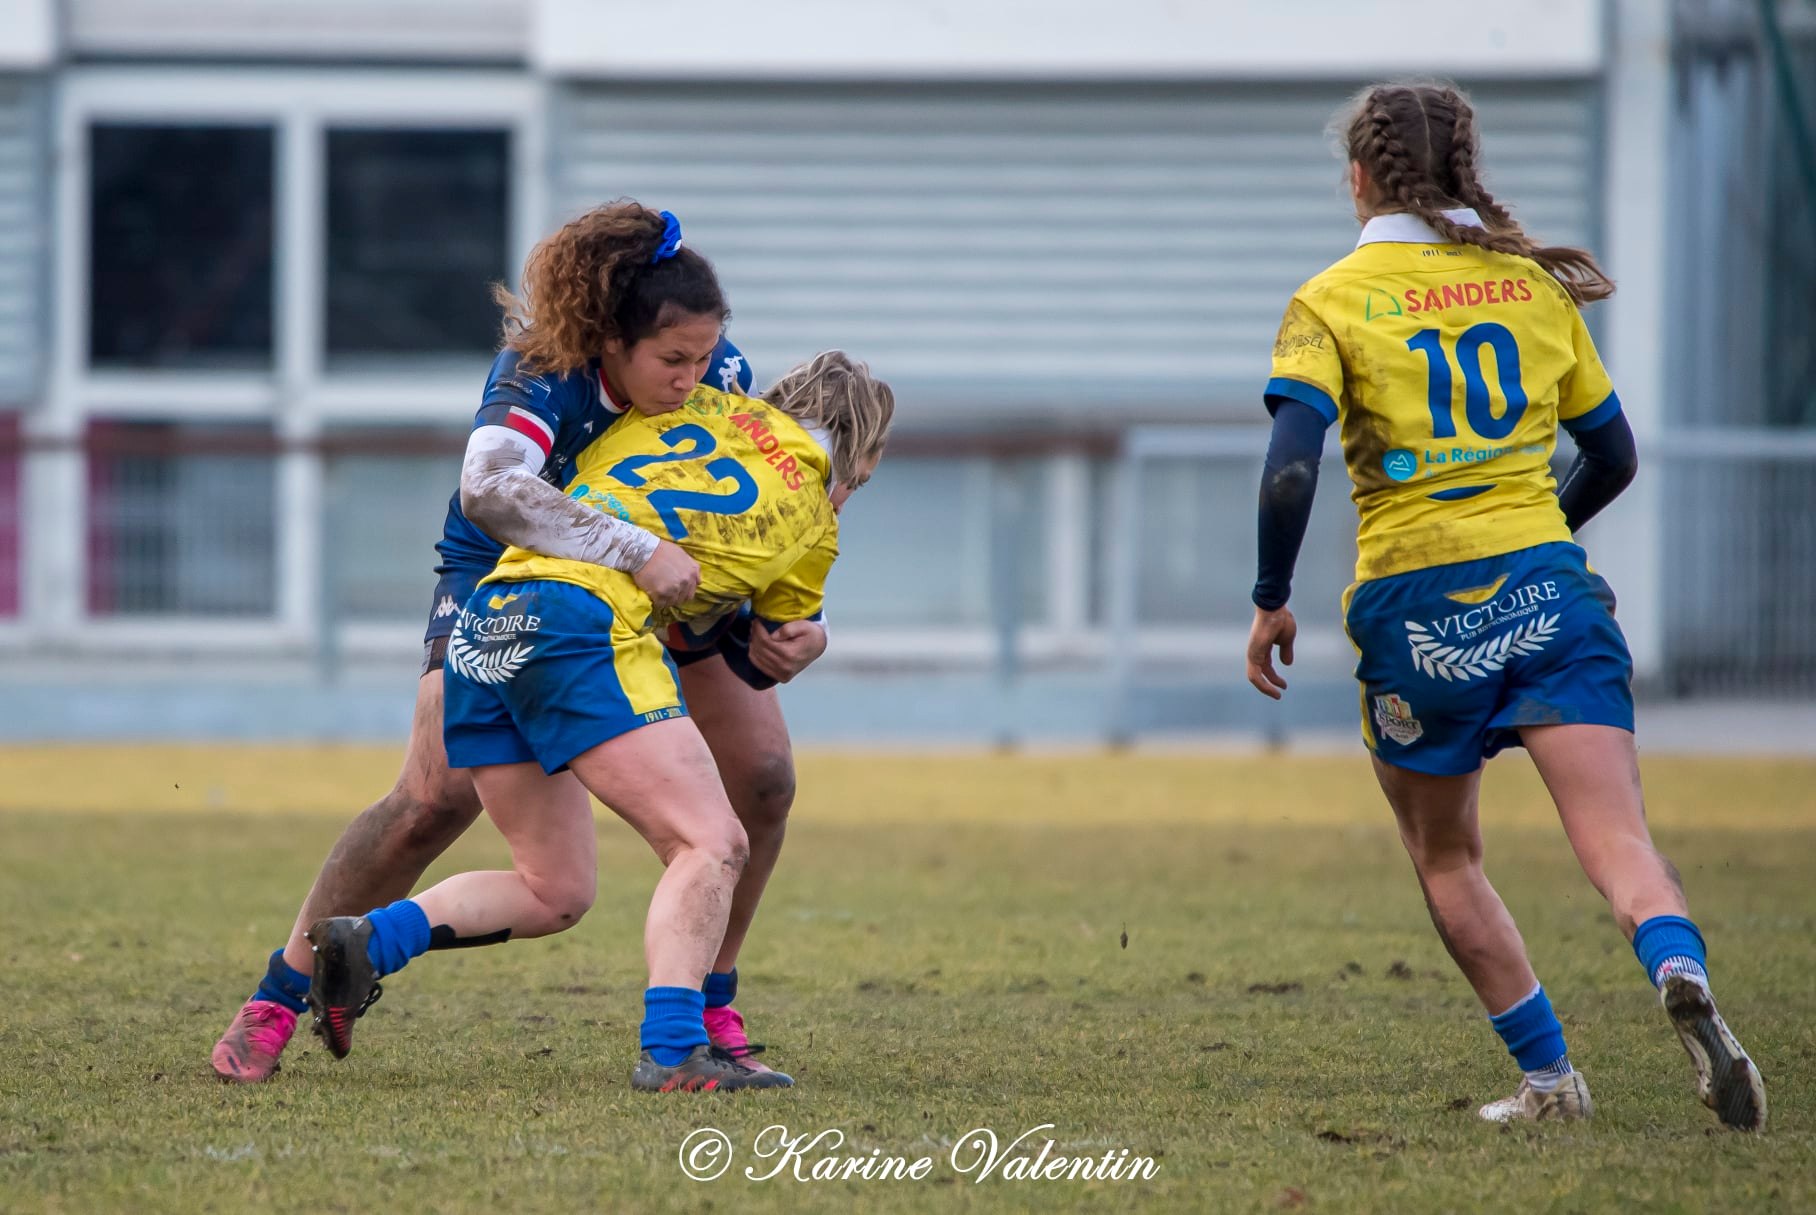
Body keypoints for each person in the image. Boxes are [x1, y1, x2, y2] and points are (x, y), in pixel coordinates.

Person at [1244, 82, 1765, 1130]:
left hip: (1416, 606)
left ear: (1359, 177)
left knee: (1446, 856)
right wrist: (1544, 544)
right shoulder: (1531, 290)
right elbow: (1611, 456)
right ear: (1465, 171)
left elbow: (1291, 473)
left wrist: (1269, 600)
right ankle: (1674, 964)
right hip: (1547, 583)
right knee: (1618, 840)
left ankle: (1549, 1080)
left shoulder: (1331, 300)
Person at [211, 202, 825, 1083]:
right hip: (509, 579)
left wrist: (792, 625)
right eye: (673, 359)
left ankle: (708, 1005)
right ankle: (278, 995)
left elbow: (745, 492)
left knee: (763, 777)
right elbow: (491, 489)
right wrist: (633, 548)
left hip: (651, 583)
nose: (698, 377)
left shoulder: (713, 364)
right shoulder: (544, 367)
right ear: (610, 339)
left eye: (706, 356)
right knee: (430, 801)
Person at [306, 350, 893, 1093]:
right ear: (855, 460)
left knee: (554, 888)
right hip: (580, 625)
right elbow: (768, 648)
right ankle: (677, 1047)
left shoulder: (687, 409)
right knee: (711, 842)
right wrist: (809, 631)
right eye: (858, 482)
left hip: (492, 611)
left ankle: (369, 937)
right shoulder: (812, 512)